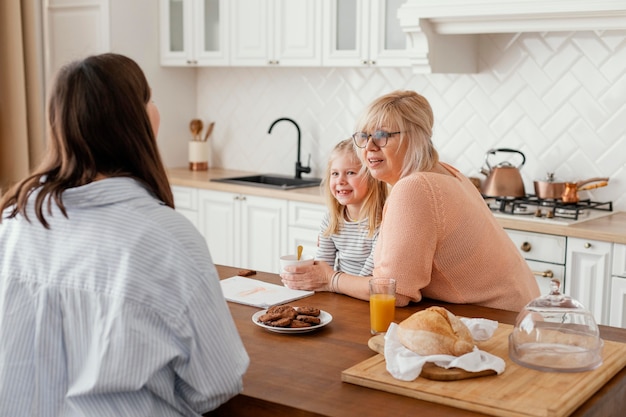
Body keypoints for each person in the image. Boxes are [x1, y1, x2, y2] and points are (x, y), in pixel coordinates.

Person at [0, 53, 249, 416]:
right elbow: (216, 384)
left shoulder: (14, 219)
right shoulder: (167, 238)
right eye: (149, 98)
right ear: (137, 119)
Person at [281, 90, 540, 312]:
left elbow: (395, 292)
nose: (369, 147)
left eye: (382, 135)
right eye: (362, 136)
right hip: (518, 312)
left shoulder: (414, 187)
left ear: (415, 137)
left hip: (498, 322)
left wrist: (330, 279)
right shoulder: (445, 171)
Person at [314, 138, 388, 280]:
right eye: (335, 173)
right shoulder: (330, 220)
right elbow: (324, 267)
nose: (340, 181)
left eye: (350, 173)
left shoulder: (381, 222)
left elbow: (370, 272)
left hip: (364, 293)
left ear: (371, 178)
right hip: (339, 292)